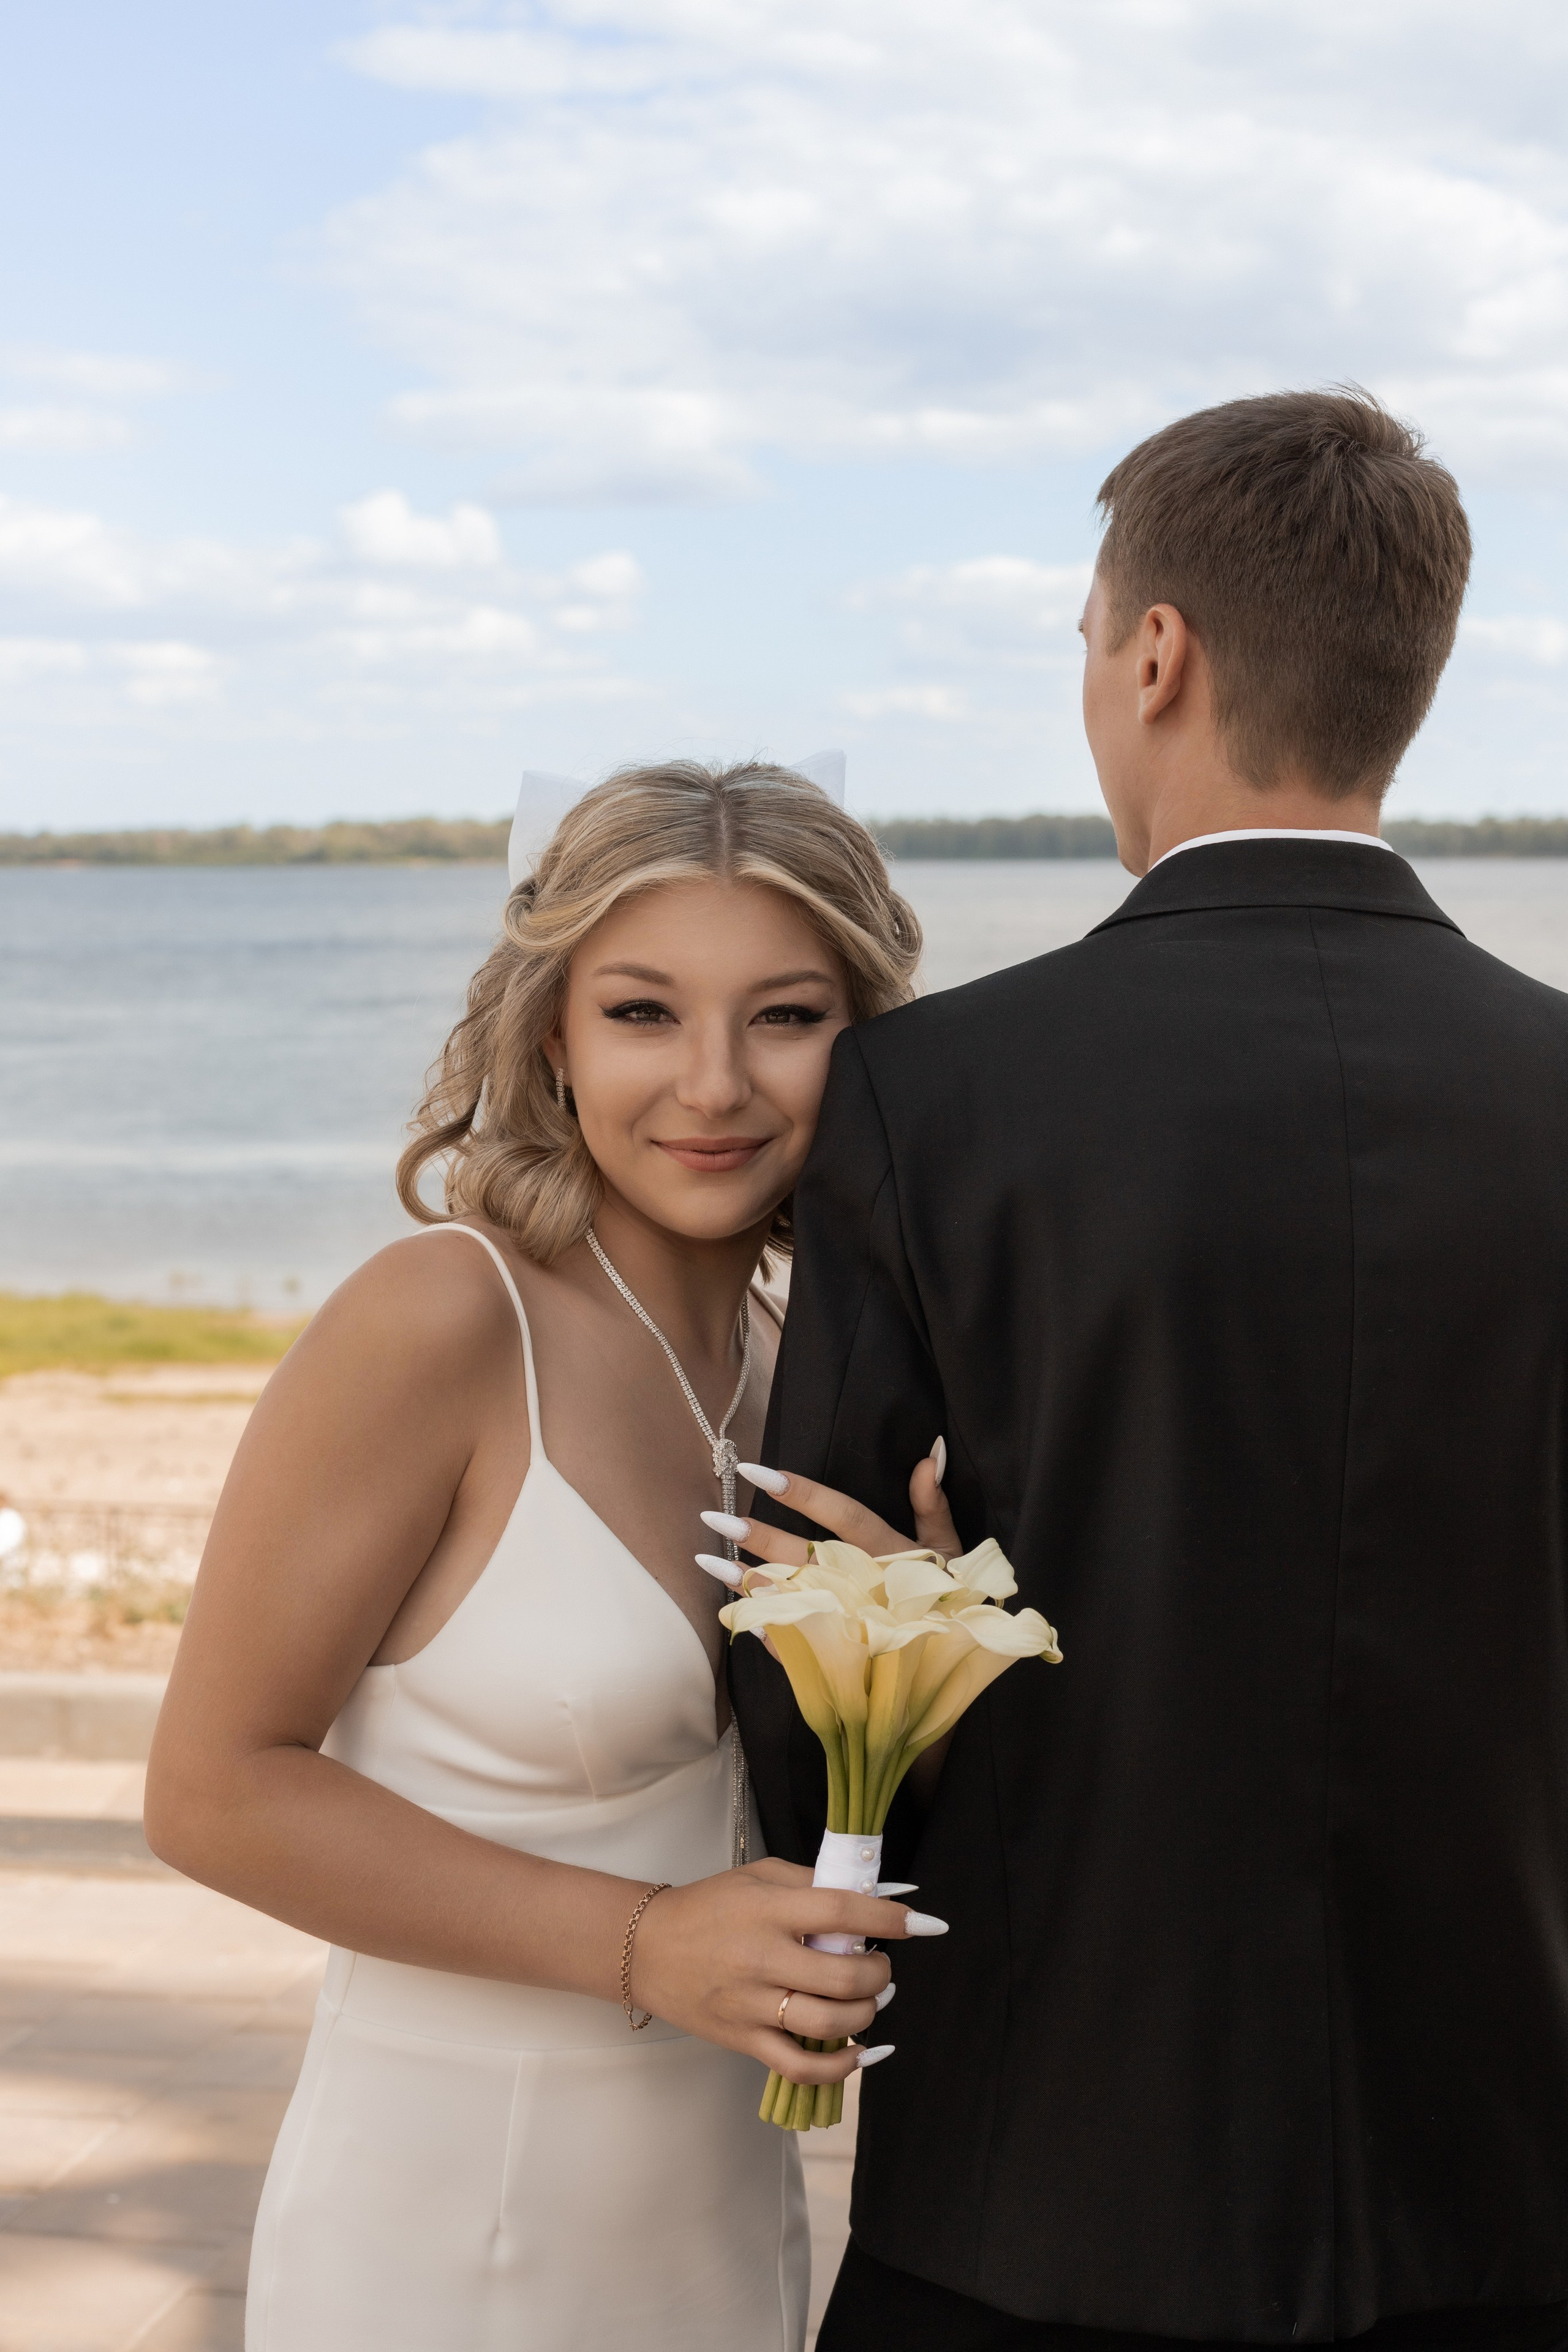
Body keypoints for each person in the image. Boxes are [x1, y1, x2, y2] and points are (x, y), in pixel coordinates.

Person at [733, 390, 1568, 2350]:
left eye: (1089, 644)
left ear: (1159, 654)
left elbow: (812, 1657)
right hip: (1512, 2184)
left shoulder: (935, 1096)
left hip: (1045, 2205)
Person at [143, 759, 955, 2352]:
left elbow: (799, 1828)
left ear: (866, 1046)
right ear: (551, 1035)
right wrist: (647, 1943)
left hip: (724, 2227)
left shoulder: (803, 1371)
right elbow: (213, 1789)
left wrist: (914, 1693)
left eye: (784, 1017)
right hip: (443, 2240)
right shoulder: (445, 1317)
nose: (713, 1085)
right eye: (643, 1012)